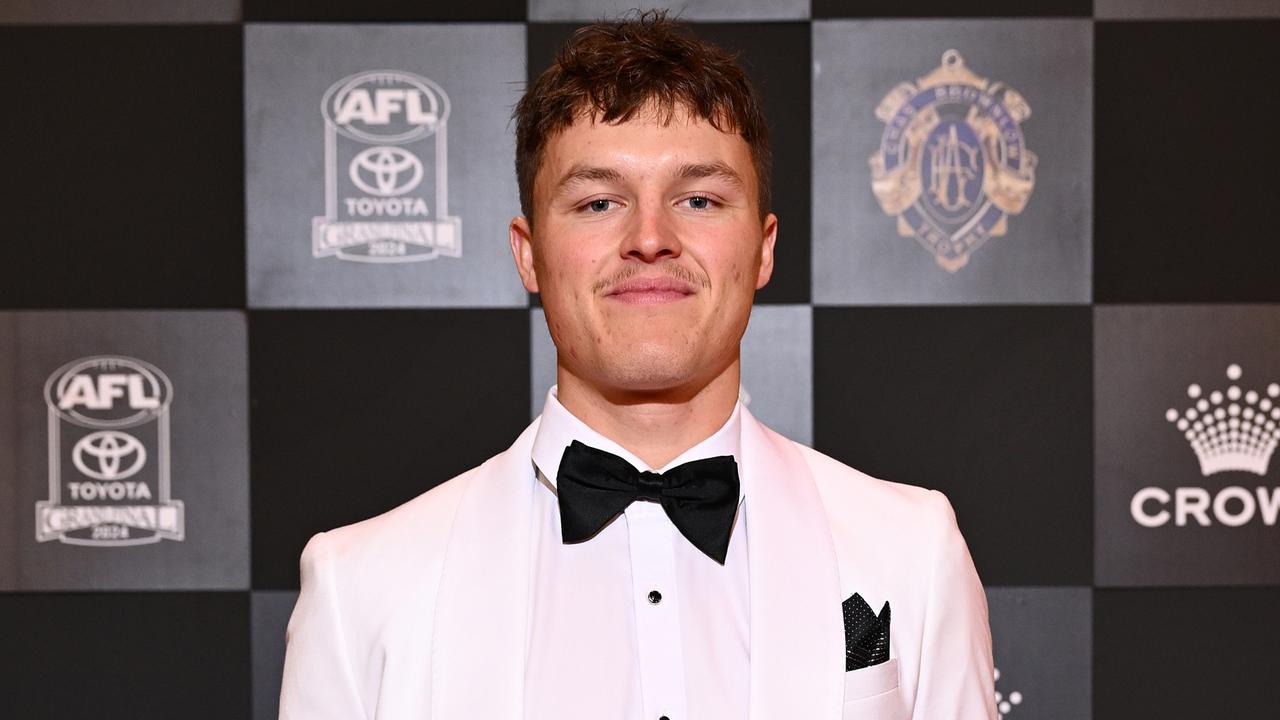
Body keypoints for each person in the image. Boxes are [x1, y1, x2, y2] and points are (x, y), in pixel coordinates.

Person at [279, 11, 995, 720]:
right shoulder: (360, 586)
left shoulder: (911, 550)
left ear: (764, 248)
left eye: (698, 199)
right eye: (598, 202)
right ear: (528, 253)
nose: (650, 238)